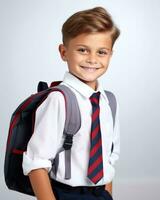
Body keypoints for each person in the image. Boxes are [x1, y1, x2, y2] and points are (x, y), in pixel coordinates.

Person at [22, 6, 120, 200]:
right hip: (67, 194)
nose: (92, 59)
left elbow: (108, 158)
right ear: (64, 52)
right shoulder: (59, 100)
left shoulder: (108, 101)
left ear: (110, 54)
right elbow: (37, 163)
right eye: (83, 50)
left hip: (100, 193)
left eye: (101, 52)